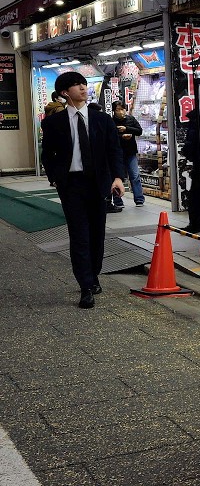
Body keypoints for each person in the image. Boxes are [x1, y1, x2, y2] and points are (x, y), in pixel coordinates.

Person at [40, 71, 126, 309]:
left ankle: (94, 273)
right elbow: (48, 154)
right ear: (65, 93)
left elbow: (114, 151)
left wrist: (118, 178)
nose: (83, 88)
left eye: (84, 84)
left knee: (97, 233)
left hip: (98, 183)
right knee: (78, 234)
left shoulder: (102, 120)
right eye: (77, 85)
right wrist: (55, 178)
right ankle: (85, 286)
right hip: (72, 185)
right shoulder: (53, 123)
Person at [110, 101, 146, 208]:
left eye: (122, 109)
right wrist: (121, 136)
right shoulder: (111, 122)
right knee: (117, 177)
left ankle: (139, 199)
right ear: (114, 111)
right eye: (118, 110)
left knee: (135, 175)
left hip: (130, 152)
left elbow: (139, 131)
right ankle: (118, 201)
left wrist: (127, 129)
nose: (121, 112)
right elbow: (109, 136)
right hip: (117, 154)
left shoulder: (131, 119)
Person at [181, 109, 200, 233]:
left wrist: (187, 154)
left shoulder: (194, 121)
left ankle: (195, 223)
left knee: (196, 194)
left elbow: (190, 144)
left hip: (199, 163)